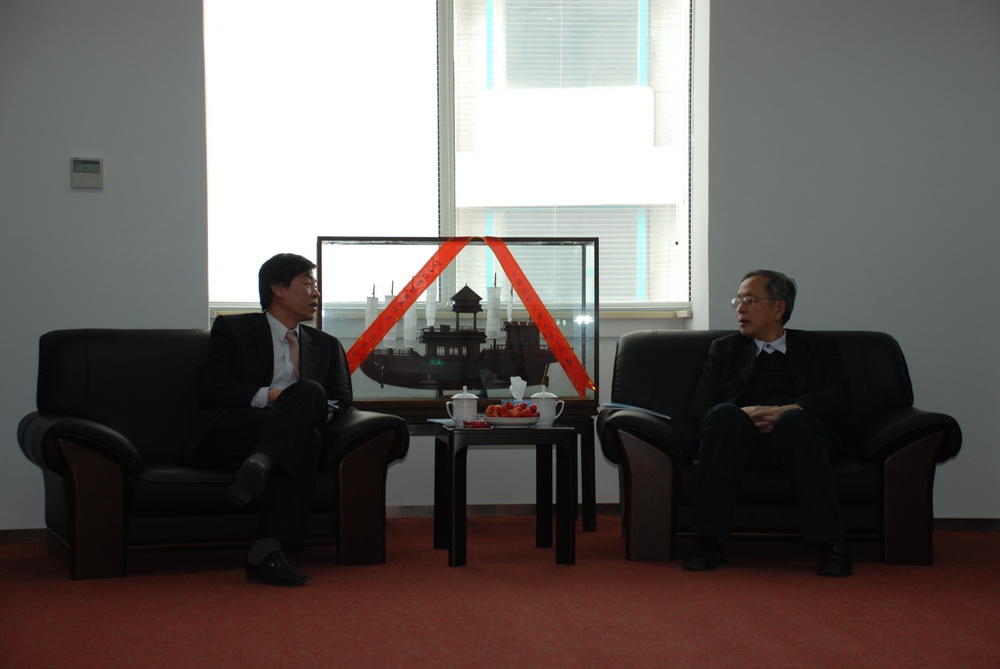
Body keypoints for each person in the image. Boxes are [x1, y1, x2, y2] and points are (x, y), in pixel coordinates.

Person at [185, 253, 352, 586]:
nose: (316, 293)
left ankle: (261, 479)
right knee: (305, 428)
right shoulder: (233, 329)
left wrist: (304, 408)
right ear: (278, 288)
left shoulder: (326, 345)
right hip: (236, 433)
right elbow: (212, 389)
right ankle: (262, 474)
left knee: (310, 413)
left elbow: (341, 401)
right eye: (308, 284)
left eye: (315, 285)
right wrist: (276, 397)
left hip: (293, 432)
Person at [684, 270, 853, 577]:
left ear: (778, 308)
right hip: (740, 438)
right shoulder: (724, 349)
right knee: (723, 416)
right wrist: (744, 413)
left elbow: (840, 399)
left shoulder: (819, 347)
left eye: (750, 300)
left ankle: (832, 544)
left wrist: (791, 409)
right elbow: (700, 410)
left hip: (799, 437)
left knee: (794, 423)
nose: (740, 308)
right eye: (738, 300)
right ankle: (708, 541)